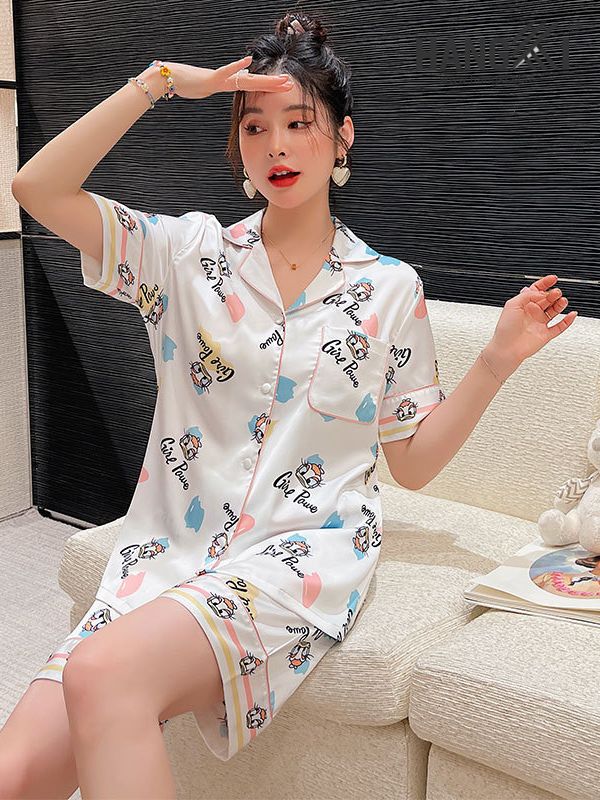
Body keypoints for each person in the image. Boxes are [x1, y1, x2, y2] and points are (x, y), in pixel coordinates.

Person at [2, 9, 577, 799]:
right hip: (164, 556)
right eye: (255, 127)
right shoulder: (185, 256)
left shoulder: (388, 289)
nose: (277, 145)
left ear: (343, 140)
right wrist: (158, 83)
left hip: (297, 560)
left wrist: (497, 359)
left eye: (301, 123)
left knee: (101, 673)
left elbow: (412, 463)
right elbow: (35, 188)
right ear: (237, 148)